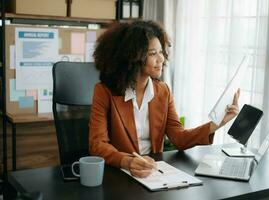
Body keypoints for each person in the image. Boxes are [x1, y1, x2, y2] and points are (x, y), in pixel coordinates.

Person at [89, 20, 240, 178]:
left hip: (154, 173)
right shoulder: (104, 92)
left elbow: (179, 138)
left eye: (161, 52)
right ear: (132, 58)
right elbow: (98, 144)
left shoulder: (163, 91)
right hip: (120, 175)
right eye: (153, 53)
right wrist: (127, 161)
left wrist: (217, 123)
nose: (161, 59)